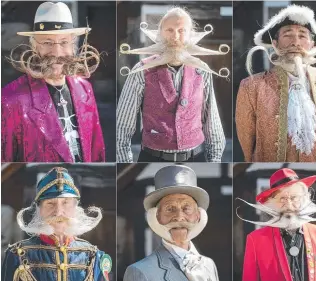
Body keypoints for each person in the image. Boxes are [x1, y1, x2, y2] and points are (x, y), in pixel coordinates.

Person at [235, 4, 316, 162]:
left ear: (312, 44)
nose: (296, 42)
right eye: (287, 35)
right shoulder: (252, 86)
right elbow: (246, 145)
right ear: (275, 43)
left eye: (302, 36)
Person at [117, 7, 229, 163]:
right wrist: (123, 162)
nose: (175, 36)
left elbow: (212, 120)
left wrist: (214, 159)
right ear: (160, 33)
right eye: (170, 30)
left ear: (190, 35)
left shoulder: (201, 70)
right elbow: (122, 127)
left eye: (182, 30)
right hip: (152, 157)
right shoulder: (142, 70)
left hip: (195, 158)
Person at [1, 1, 105, 162]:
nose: (56, 52)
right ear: (34, 47)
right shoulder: (10, 99)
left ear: (73, 45)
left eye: (63, 42)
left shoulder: (84, 89)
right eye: (48, 43)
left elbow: (97, 152)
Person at [2, 167, 111, 281]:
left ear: (75, 208)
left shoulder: (93, 256)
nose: (59, 212)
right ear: (39, 210)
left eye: (65, 203)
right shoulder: (17, 255)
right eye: (50, 203)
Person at [237, 168, 316, 281]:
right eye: (282, 199)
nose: (289, 204)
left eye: (294, 198)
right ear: (272, 204)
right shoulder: (256, 239)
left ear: (304, 199)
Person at [123, 165, 218, 281]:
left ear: (198, 215)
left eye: (186, 208)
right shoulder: (140, 271)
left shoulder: (209, 265)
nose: (179, 217)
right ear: (157, 216)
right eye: (170, 209)